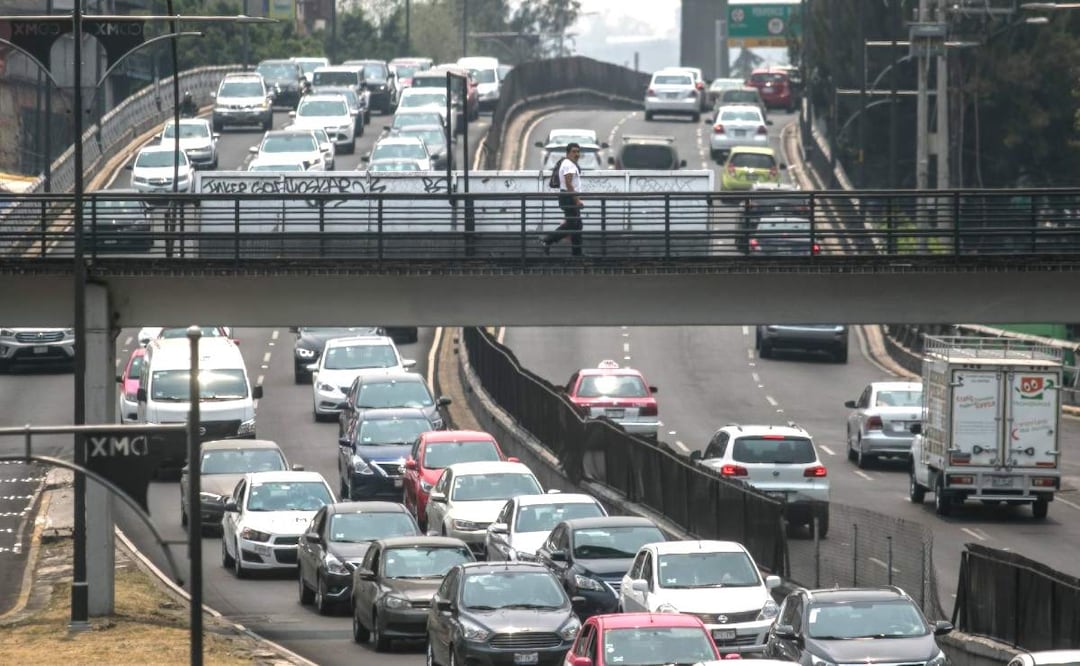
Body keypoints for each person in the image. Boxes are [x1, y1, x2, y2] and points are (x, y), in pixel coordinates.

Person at [541, 142, 585, 256]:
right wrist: (577, 200)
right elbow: (569, 184)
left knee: (577, 225)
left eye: (578, 151)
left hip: (567, 196)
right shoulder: (568, 165)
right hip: (568, 197)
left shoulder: (568, 163)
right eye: (574, 152)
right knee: (572, 224)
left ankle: (577, 254)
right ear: (568, 153)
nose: (577, 154)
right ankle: (547, 240)